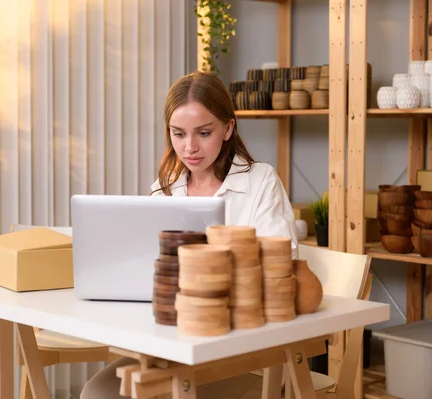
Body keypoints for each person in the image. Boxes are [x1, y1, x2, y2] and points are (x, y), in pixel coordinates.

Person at [80, 71, 298, 399]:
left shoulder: (260, 182)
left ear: (228, 128)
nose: (190, 147)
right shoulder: (167, 187)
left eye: (204, 133)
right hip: (173, 344)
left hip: (243, 354)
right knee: (98, 393)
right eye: (178, 134)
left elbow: (281, 273)